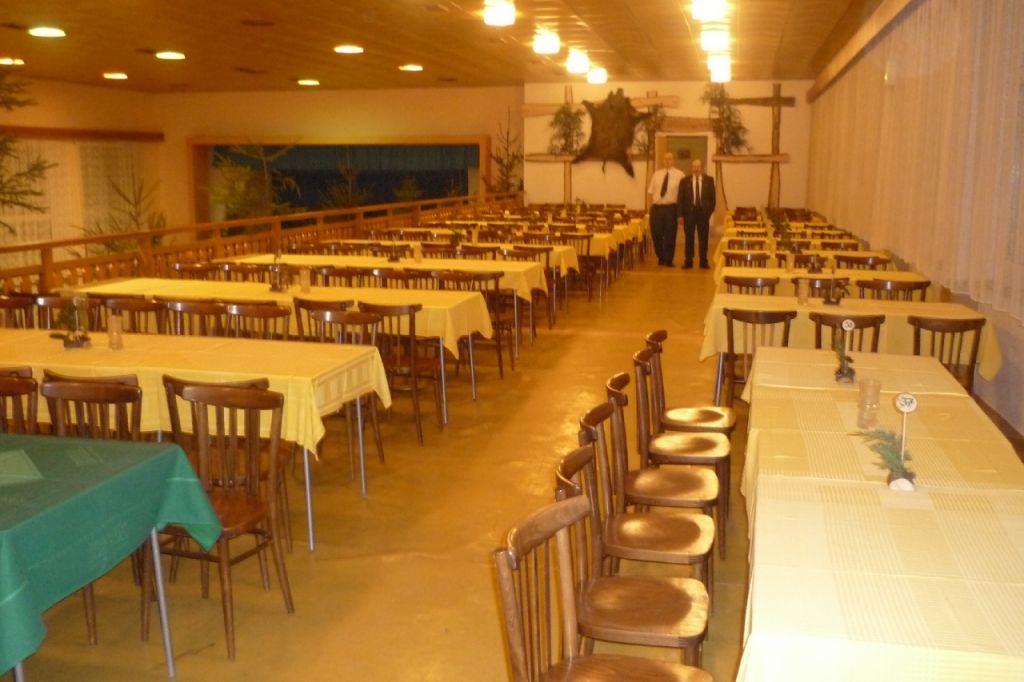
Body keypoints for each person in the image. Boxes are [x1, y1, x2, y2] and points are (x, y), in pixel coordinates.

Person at [646, 152, 684, 267]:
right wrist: (650, 208)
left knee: (670, 235)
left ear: (674, 160)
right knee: (656, 234)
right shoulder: (656, 174)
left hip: (671, 208)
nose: (667, 161)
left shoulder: (680, 175)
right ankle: (660, 257)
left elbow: (682, 196)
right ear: (663, 160)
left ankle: (668, 259)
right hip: (656, 208)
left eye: (670, 159)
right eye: (665, 159)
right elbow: (650, 192)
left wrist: (680, 213)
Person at [678, 159, 716, 269]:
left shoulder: (709, 180)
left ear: (702, 167)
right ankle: (688, 261)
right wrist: (680, 215)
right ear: (691, 168)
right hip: (689, 213)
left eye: (698, 166)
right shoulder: (684, 181)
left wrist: (708, 213)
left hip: (703, 214)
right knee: (689, 238)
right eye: (694, 166)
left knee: (703, 238)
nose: (696, 169)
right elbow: (680, 199)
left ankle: (703, 261)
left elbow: (713, 199)